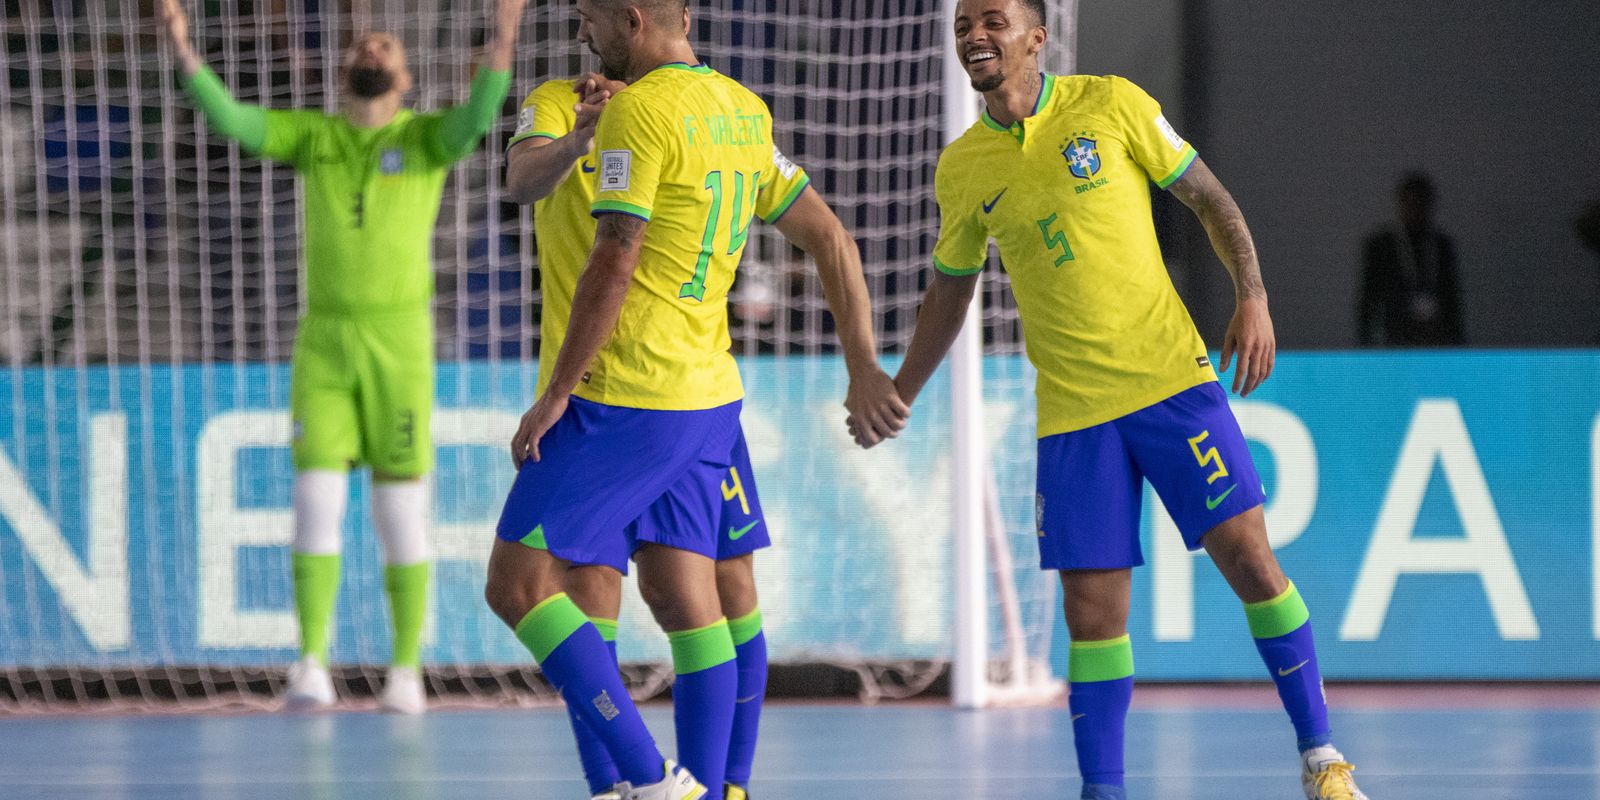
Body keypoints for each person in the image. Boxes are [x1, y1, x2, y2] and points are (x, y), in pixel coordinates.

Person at [872, 0, 1370, 798]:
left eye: (993, 21)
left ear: (1037, 38)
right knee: (1092, 618)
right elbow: (950, 293)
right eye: (965, 24)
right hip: (1073, 418)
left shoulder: (1112, 103)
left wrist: (1253, 296)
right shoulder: (962, 167)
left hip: (1172, 385)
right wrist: (901, 388)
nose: (975, 35)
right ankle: (1103, 792)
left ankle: (1322, 759)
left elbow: (1210, 198)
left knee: (1251, 562)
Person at [481, 1, 906, 798]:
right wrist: (580, 136)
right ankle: (668, 789)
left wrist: (555, 395)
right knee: (666, 593)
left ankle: (664, 784)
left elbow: (617, 254)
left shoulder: (647, 114)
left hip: (620, 390)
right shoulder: (718, 108)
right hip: (702, 396)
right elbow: (522, 178)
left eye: (591, 16)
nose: (582, 31)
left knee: (530, 586)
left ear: (634, 20)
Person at [157, 0, 526, 714]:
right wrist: (181, 46)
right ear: (341, 69)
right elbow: (233, 120)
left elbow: (481, 115)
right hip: (323, 342)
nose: (374, 51)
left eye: (386, 46)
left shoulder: (425, 140)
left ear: (407, 76)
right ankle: (310, 663)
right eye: (364, 44)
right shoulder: (314, 137)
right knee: (314, 501)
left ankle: (405, 670)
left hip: (400, 344)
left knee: (399, 512)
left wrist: (506, 32)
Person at [1357, 172, 1463, 347]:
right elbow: (1369, 297)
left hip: (1437, 339)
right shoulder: (1382, 246)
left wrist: (1458, 345)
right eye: (1411, 204)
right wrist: (1365, 344)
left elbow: (1452, 298)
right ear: (1402, 204)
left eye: (1421, 204)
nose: (1416, 211)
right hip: (1397, 336)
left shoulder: (1442, 245)